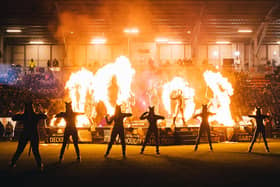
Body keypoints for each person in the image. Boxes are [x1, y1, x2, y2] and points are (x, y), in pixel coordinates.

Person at [9, 101, 47, 171]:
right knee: (35, 151)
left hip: (25, 134)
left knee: (19, 150)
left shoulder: (24, 116)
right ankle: (39, 165)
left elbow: (13, 118)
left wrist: (19, 114)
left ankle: (13, 163)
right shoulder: (35, 116)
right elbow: (44, 116)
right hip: (33, 134)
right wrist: (40, 110)